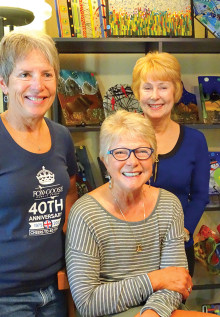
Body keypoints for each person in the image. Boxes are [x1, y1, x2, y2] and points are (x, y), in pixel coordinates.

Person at [66, 110, 193, 317]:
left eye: (142, 151)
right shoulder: (85, 213)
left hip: (162, 312)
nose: (132, 161)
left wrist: (151, 312)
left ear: (154, 157)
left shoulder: (169, 205)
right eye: (120, 152)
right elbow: (88, 302)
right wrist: (155, 279)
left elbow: (176, 281)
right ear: (104, 161)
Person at [0, 31, 78, 316]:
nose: (38, 85)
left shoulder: (62, 136)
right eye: (24, 74)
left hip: (55, 288)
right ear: (3, 83)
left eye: (47, 74)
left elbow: (69, 190)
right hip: (6, 296)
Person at [132, 52, 210, 277]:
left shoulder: (195, 140)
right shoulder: (124, 137)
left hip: (177, 249)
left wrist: (181, 234)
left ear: (176, 91)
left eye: (163, 87)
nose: (155, 96)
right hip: (132, 250)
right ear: (138, 92)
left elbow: (199, 196)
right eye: (147, 88)